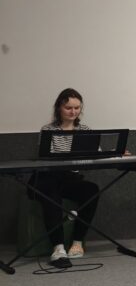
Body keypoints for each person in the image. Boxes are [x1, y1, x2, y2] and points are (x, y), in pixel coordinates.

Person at [35, 88, 100, 268]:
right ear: (59, 108)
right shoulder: (48, 130)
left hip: (70, 178)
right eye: (68, 108)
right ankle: (58, 248)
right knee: (51, 195)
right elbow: (45, 157)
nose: (73, 112)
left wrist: (118, 154)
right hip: (49, 178)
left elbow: (96, 153)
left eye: (77, 108)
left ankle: (77, 242)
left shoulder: (84, 130)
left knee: (91, 190)